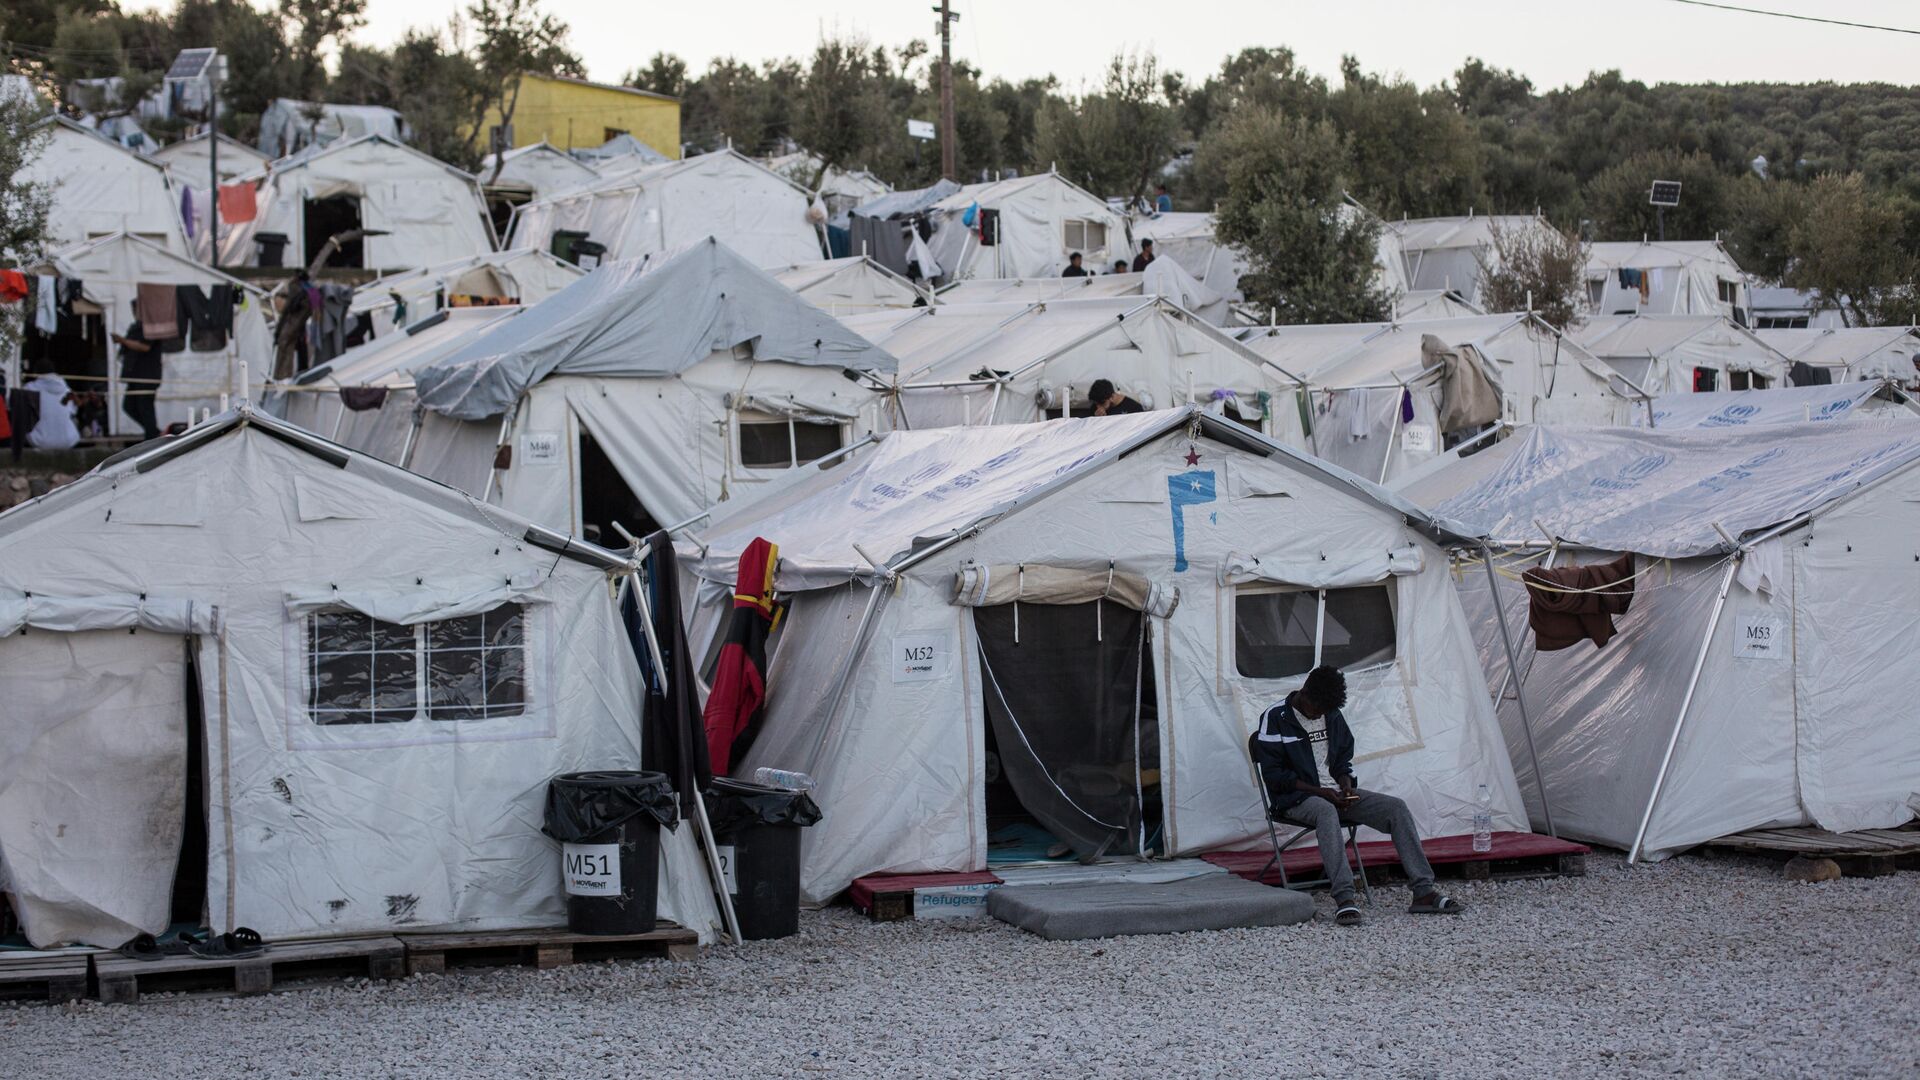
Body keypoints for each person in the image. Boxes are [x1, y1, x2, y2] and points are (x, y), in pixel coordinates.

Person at [1250, 665, 1465, 926]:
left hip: (1334, 793)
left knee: (1396, 808)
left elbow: (1342, 760)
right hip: (1294, 799)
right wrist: (1321, 792)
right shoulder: (1275, 717)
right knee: (1325, 810)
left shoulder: (1331, 713)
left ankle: (1423, 891)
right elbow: (1274, 777)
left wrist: (1345, 783)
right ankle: (1345, 898)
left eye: (1325, 711)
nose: (1320, 714)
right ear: (1304, 694)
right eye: (1317, 709)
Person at [109, 305, 161, 441]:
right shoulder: (136, 327)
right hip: (135, 376)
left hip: (147, 375)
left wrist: (122, 340)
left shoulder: (152, 327)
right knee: (129, 406)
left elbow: (144, 347)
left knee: (145, 408)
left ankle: (152, 435)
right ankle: (153, 431)